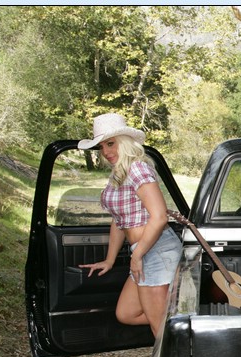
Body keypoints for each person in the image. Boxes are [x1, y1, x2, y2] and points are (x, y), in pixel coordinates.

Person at [77, 113, 182, 337]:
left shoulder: (138, 169)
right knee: (126, 313)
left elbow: (160, 217)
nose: (106, 152)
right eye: (102, 146)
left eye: (110, 143)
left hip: (155, 250)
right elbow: (119, 219)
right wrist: (110, 259)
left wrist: (137, 256)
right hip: (144, 251)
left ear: (124, 141)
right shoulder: (118, 174)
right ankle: (181, 325)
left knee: (159, 328)